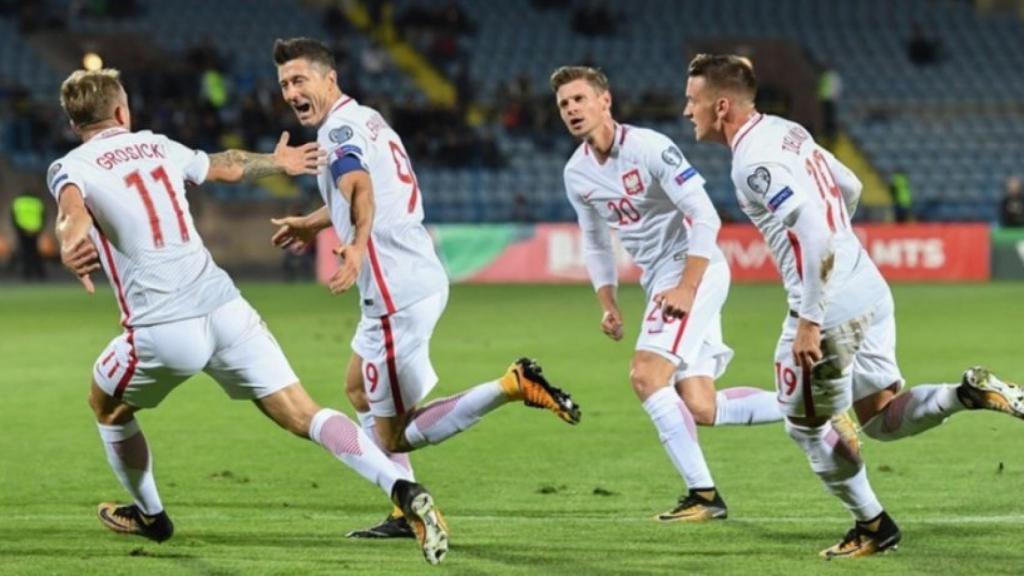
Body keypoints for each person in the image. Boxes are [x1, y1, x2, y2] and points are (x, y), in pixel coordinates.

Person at [48, 68, 448, 565]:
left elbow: (70, 214)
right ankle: (402, 489)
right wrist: (278, 162)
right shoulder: (155, 145)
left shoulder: (71, 165)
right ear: (122, 113)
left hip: (162, 328)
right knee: (305, 413)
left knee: (107, 407)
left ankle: (151, 515)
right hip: (226, 308)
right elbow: (228, 165)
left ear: (73, 123)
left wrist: (69, 245)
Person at [684, 53, 1024, 559]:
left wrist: (810, 318)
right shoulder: (786, 130)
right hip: (867, 284)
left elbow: (814, 231)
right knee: (879, 417)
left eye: (693, 100)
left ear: (722, 105)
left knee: (804, 425)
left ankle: (873, 525)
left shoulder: (751, 163)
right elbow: (851, 186)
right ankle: (965, 395)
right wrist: (840, 250)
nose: (686, 110)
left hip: (827, 309)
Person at [267, 37, 581, 539]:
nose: (290, 91)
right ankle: (401, 510)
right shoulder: (366, 118)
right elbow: (372, 190)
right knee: (357, 389)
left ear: (330, 79)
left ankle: (510, 386)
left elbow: (360, 189)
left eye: (300, 79)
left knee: (394, 433)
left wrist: (356, 244)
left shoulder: (341, 128)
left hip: (393, 292)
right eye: (284, 84)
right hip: (415, 277)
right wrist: (313, 222)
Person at [551, 65, 787, 522]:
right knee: (701, 405)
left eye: (580, 99)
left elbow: (706, 216)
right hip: (660, 278)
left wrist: (686, 286)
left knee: (646, 375)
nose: (572, 109)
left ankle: (703, 496)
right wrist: (608, 303)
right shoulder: (576, 173)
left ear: (605, 101)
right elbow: (596, 241)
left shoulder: (650, 147)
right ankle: (818, 405)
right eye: (564, 104)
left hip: (692, 268)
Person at [10, 190, 47, 280]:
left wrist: (19, 229)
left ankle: (27, 274)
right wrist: (39, 229)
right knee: (35, 252)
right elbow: (44, 216)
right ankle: (40, 274)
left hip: (22, 231)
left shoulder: (18, 202)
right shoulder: (37, 202)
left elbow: (13, 217)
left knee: (25, 252)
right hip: (35, 231)